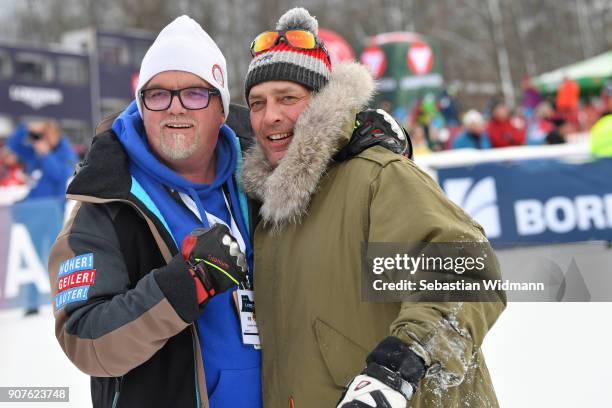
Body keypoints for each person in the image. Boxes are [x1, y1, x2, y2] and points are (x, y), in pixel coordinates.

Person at [241, 7, 506, 408]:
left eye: (287, 98)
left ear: (322, 102)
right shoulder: (266, 210)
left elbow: (467, 272)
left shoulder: (376, 178)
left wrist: (400, 366)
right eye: (257, 103)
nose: (269, 116)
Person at [48, 16, 261, 407]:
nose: (174, 108)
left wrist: (358, 148)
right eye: (158, 94)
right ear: (142, 106)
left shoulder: (263, 179)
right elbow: (85, 341)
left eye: (195, 93)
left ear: (221, 109)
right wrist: (183, 286)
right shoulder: (107, 206)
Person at [7, 120, 77, 315]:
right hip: (33, 214)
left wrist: (46, 154)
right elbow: (13, 144)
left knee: (57, 258)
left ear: (55, 134)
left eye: (47, 134)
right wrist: (26, 127)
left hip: (52, 214)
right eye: (41, 135)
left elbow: (59, 176)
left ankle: (65, 300)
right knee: (31, 258)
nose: (44, 139)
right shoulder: (35, 154)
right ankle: (31, 302)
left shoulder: (65, 152)